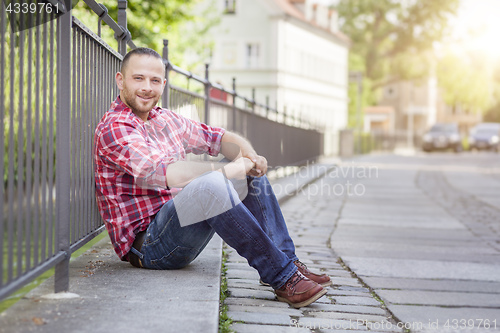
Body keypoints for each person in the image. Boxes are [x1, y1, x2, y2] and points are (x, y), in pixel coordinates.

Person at [93, 47, 331, 308]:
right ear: (120, 80)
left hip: (180, 228)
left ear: (163, 83)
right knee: (212, 183)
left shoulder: (164, 119)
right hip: (149, 246)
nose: (147, 87)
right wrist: (229, 171)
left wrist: (249, 156)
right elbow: (163, 173)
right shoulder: (115, 127)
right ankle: (282, 277)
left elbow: (218, 138)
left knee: (248, 171)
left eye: (155, 80)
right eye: (138, 78)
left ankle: (288, 263)